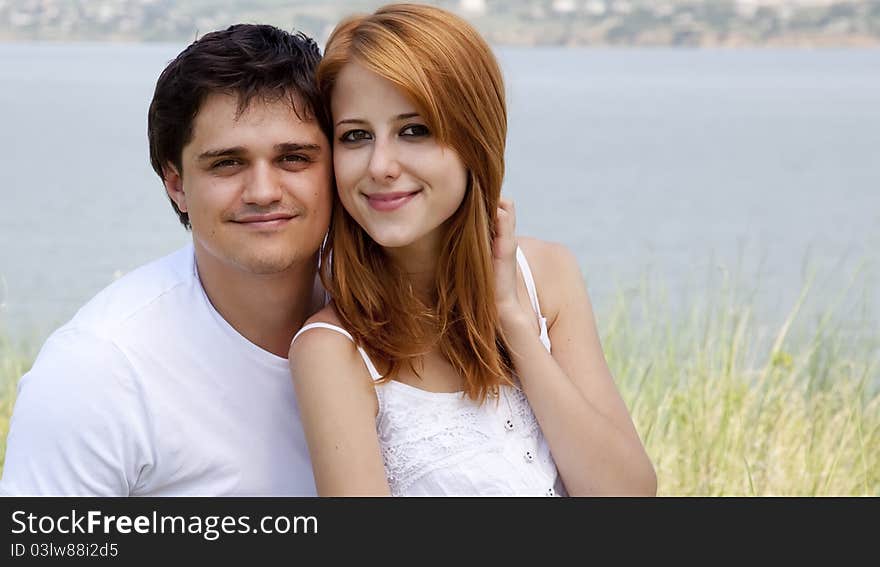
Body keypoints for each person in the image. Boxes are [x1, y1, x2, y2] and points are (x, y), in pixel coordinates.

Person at [289, 3, 656, 496]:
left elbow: (628, 494)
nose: (380, 165)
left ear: (474, 140)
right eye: (355, 136)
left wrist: (512, 321)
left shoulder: (546, 275)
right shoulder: (332, 351)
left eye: (414, 130)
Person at [0, 24, 332, 495]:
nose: (263, 192)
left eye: (294, 158)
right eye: (227, 163)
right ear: (176, 184)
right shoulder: (98, 372)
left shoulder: (392, 319)